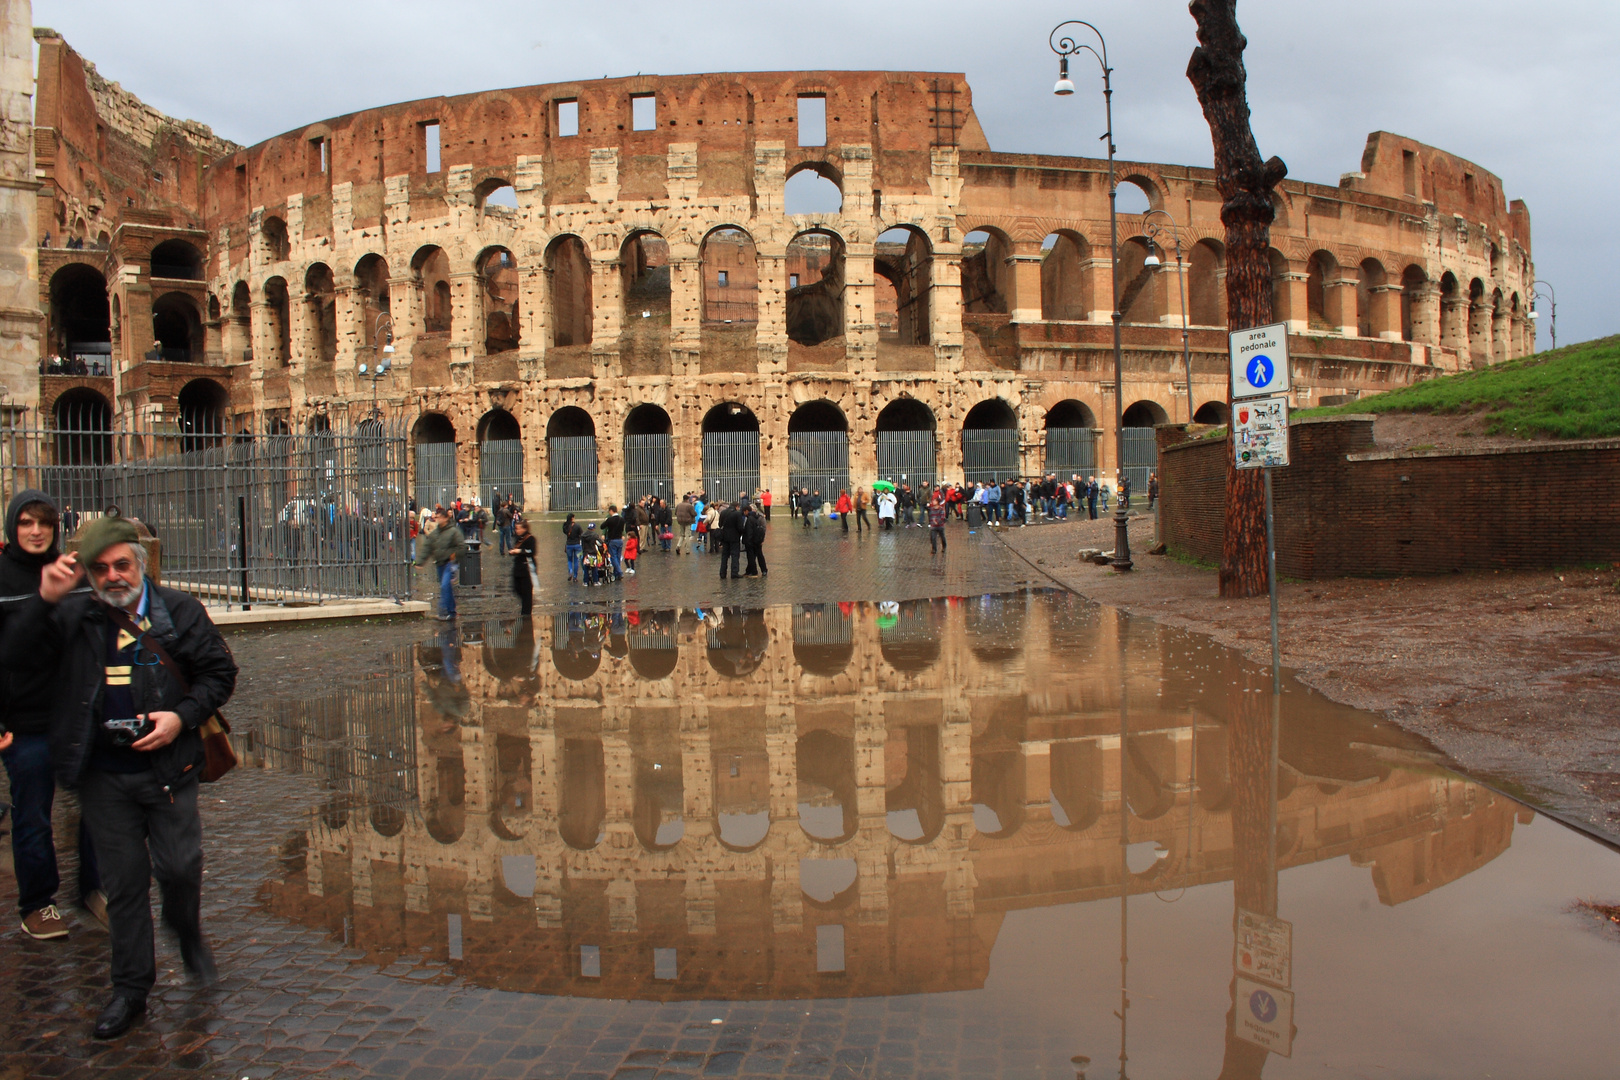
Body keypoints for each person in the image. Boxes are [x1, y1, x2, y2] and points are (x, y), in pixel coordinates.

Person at [5, 516, 237, 1040]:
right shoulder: (72, 616)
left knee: (180, 868)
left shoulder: (178, 612)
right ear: (88, 572)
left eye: (122, 565)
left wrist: (181, 716)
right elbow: (15, 657)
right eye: (100, 568)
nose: (113, 577)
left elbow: (219, 675)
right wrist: (42, 601)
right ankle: (130, 989)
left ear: (141, 563)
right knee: (124, 887)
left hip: (169, 769)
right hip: (103, 775)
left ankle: (183, 926)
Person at [0, 490, 104, 943]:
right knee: (33, 816)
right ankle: (38, 903)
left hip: (79, 714)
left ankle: (93, 888)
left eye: (44, 522)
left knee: (98, 809)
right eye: (26, 522)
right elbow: (8, 653)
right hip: (23, 718)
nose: (36, 531)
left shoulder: (74, 573)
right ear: (12, 528)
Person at [414, 507, 466, 620]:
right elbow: (427, 547)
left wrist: (454, 555)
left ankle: (443, 612)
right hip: (440, 563)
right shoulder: (435, 533)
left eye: (440, 517)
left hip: (449, 563)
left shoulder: (454, 531)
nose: (438, 520)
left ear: (446, 518)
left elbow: (462, 547)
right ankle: (451, 611)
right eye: (437, 517)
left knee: (444, 586)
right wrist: (420, 561)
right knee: (446, 587)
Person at [507, 519, 537, 615]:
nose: (516, 530)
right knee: (516, 588)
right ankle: (525, 608)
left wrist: (519, 551)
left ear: (524, 529)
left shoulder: (531, 538)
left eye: (518, 528)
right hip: (518, 568)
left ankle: (526, 614)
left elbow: (532, 552)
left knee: (527, 594)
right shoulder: (518, 538)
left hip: (527, 569)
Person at [717, 501, 745, 580]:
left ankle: (723, 573)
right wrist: (740, 533)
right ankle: (734, 572)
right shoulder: (737, 514)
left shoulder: (723, 513)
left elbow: (720, 524)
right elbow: (740, 527)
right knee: (735, 555)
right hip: (734, 537)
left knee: (724, 556)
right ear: (737, 506)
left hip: (725, 537)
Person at [600, 505, 626, 582]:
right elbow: (622, 530)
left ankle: (620, 572)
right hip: (620, 540)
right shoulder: (622, 519)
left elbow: (602, 526)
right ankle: (616, 573)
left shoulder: (610, 520)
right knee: (618, 557)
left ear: (611, 511)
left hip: (613, 540)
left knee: (613, 557)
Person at [743, 503, 768, 576]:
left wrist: (761, 539)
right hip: (755, 539)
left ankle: (762, 570)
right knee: (752, 556)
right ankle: (749, 570)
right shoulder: (749, 517)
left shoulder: (759, 517)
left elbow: (763, 529)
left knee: (757, 555)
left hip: (756, 539)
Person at [561, 514, 583, 582]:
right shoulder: (577, 526)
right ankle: (575, 576)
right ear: (572, 518)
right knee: (576, 561)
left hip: (569, 545)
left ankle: (570, 571)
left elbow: (565, 532)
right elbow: (581, 534)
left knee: (569, 560)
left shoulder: (565, 526)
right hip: (577, 545)